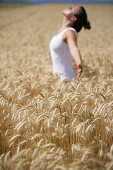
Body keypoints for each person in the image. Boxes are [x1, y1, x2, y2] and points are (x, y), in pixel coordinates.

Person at [49, 6, 91, 82]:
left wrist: (79, 63)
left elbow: (74, 48)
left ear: (74, 18)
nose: (69, 7)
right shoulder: (61, 31)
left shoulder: (70, 32)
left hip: (67, 81)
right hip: (58, 81)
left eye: (72, 9)